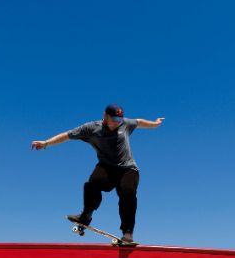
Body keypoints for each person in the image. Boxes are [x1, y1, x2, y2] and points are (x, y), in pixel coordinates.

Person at [31, 104, 164, 245]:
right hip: (107, 167)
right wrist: (46, 143)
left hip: (128, 169)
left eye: (119, 119)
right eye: (113, 119)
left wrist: (155, 124)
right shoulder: (91, 128)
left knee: (128, 193)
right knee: (92, 184)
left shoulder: (125, 123)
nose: (117, 122)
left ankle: (128, 232)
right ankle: (86, 215)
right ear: (105, 116)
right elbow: (67, 135)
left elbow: (139, 121)